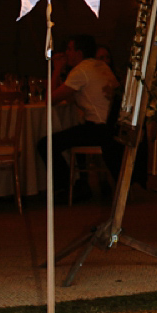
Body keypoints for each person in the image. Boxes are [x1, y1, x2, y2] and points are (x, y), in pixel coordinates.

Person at [37, 34, 120, 198]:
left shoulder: (81, 70)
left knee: (46, 144)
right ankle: (81, 184)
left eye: (69, 49)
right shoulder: (100, 66)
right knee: (76, 133)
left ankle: (65, 188)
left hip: (100, 130)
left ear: (79, 53)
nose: (66, 53)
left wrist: (56, 69)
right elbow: (69, 96)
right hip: (113, 127)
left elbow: (50, 100)